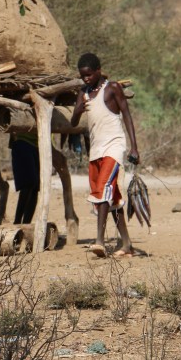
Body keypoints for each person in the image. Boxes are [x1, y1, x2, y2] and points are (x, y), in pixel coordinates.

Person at [70, 52, 140, 258]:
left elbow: (126, 115)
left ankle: (99, 241)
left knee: (102, 190)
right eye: (83, 76)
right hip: (96, 151)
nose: (86, 79)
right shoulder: (83, 93)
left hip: (114, 147)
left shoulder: (112, 88)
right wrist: (78, 110)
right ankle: (126, 244)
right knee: (113, 199)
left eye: (89, 75)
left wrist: (134, 147)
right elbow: (73, 123)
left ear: (99, 71)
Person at [9, 131, 40, 224]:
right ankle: (17, 222)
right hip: (22, 141)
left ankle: (26, 224)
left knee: (35, 188)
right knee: (29, 184)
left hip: (38, 145)